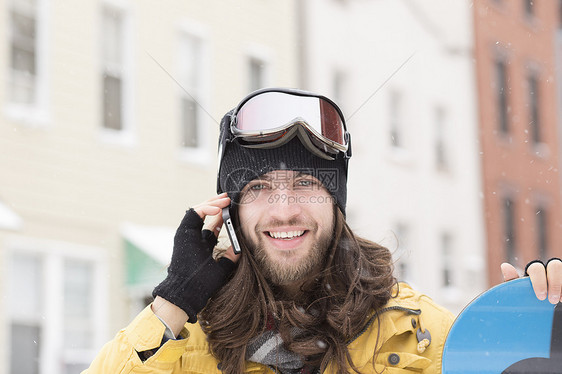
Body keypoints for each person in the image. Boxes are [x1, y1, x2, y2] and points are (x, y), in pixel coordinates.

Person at [85, 88, 562, 374]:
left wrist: (530, 340)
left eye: (308, 184)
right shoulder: (181, 346)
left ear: (337, 206)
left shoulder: (420, 341)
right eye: (260, 187)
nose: (285, 209)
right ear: (228, 207)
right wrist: (173, 300)